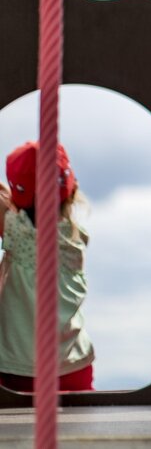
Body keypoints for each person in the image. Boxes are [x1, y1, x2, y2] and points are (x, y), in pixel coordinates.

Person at [0, 141, 95, 392]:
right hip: (74, 366)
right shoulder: (74, 238)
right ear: (72, 189)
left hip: (21, 369)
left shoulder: (16, 232)